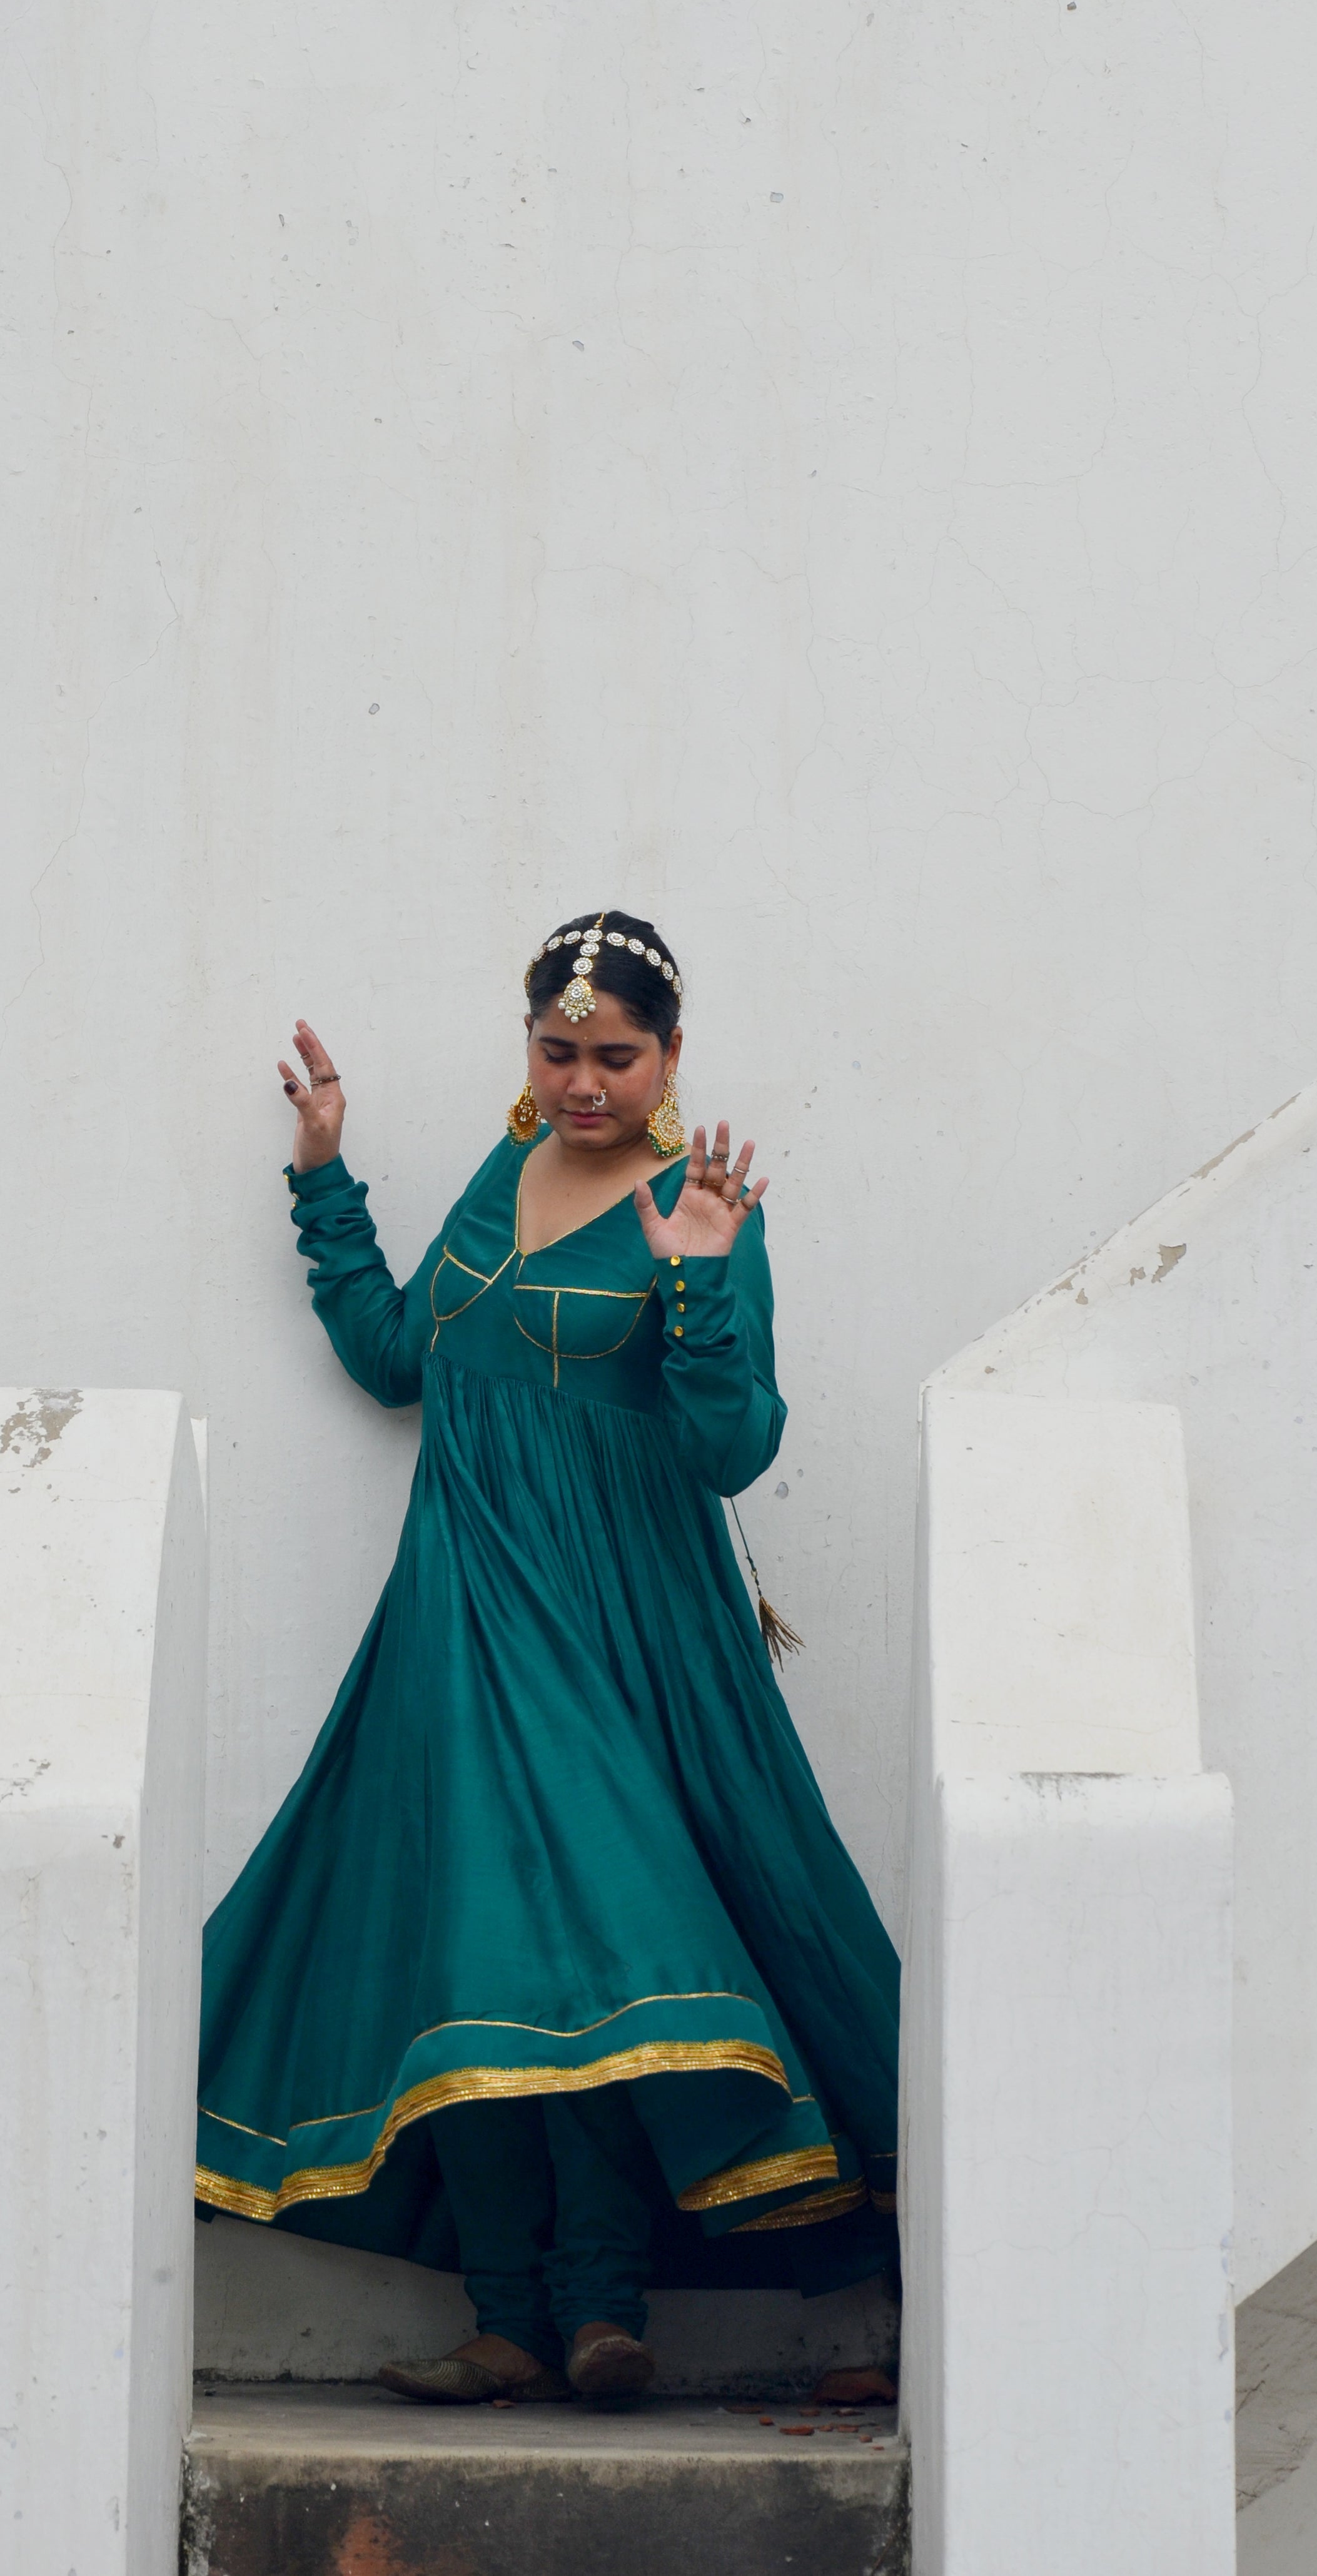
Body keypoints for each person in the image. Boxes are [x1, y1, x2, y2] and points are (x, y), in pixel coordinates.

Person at [196, 910, 901, 2406]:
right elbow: (399, 1358)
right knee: (474, 1958)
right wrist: (322, 1176)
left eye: (616, 1056)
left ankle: (599, 2306)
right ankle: (512, 2319)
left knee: (593, 1956)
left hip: (616, 1627)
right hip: (457, 1616)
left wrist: (699, 1282)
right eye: (557, 1049)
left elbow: (730, 1448)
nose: (584, 1082)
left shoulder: (700, 1204)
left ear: (672, 1054)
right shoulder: (497, 1170)